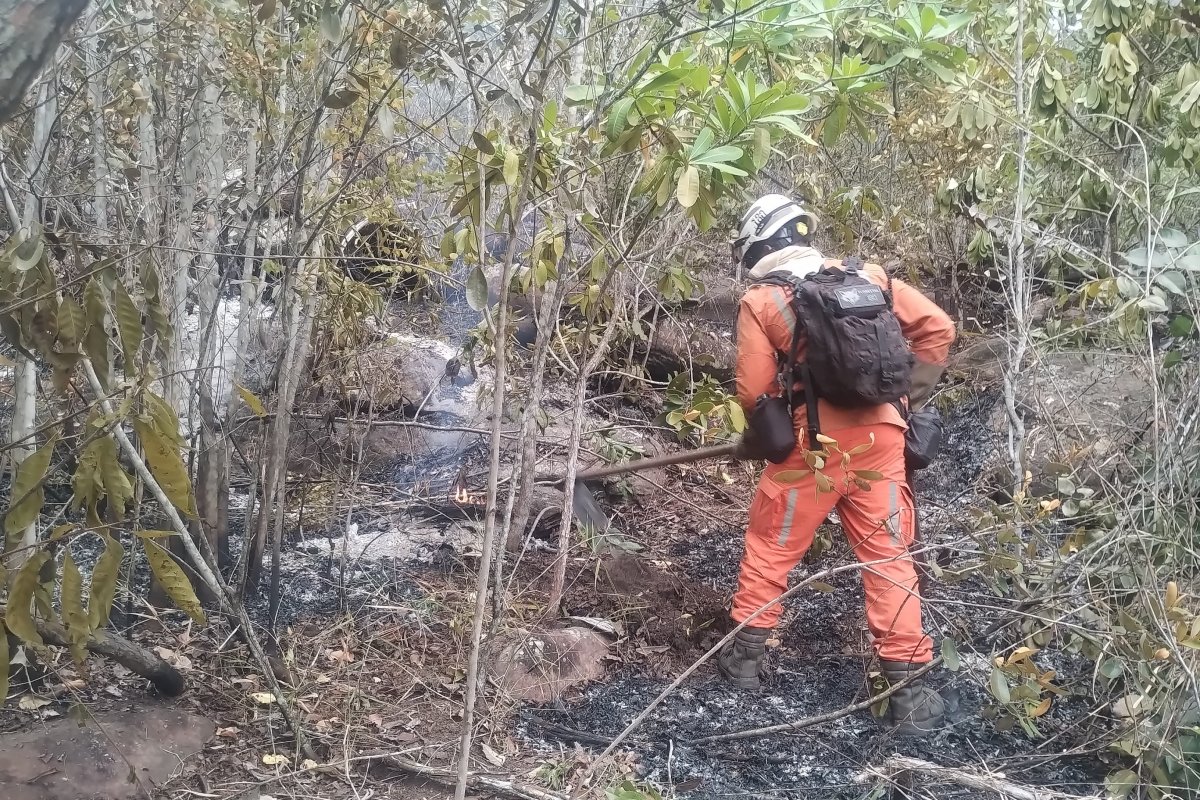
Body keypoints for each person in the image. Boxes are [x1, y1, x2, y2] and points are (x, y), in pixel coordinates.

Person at [718, 193, 956, 737]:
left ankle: (745, 661)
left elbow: (755, 390)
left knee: (772, 546)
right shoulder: (868, 276)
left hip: (817, 445)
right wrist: (904, 399)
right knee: (890, 558)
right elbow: (938, 329)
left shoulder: (764, 300)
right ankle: (908, 692)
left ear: (760, 243)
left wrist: (770, 433)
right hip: (886, 442)